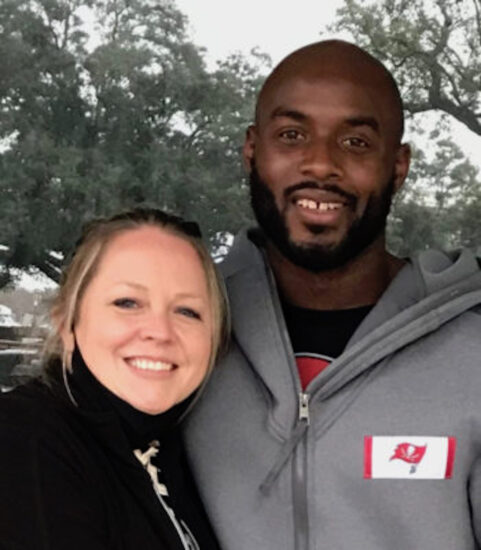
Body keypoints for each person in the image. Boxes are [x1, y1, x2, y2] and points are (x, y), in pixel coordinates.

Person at [185, 40, 481, 549]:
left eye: (357, 142)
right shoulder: (181, 335)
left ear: (398, 166)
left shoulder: (472, 347)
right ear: (252, 149)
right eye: (292, 134)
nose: (321, 164)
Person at [0, 207, 228, 549]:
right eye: (127, 302)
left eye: (187, 311)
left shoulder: (181, 451)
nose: (160, 332)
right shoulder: (25, 444)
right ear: (67, 322)